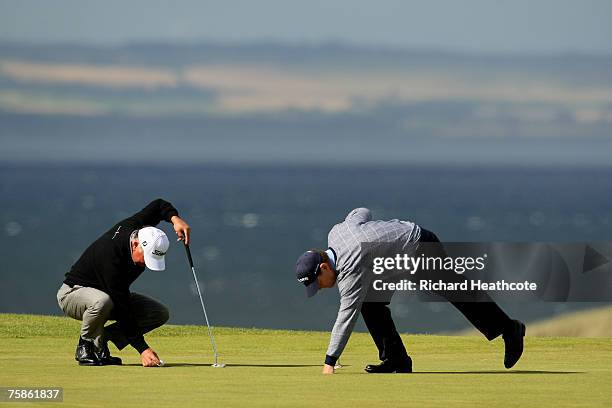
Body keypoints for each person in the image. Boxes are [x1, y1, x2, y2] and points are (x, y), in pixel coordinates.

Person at [295, 207, 525, 374]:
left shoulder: (351, 268)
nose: (321, 289)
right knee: (370, 304)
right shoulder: (337, 233)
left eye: (318, 283)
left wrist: (329, 362)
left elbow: (346, 317)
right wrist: (377, 234)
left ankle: (510, 328)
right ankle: (397, 360)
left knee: (456, 291)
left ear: (324, 267)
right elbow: (361, 212)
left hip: (419, 245)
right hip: (390, 260)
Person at [56, 199, 190, 367]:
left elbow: (158, 205)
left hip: (108, 296)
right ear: (135, 244)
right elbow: (122, 306)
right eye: (146, 258)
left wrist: (175, 219)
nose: (145, 264)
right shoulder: (111, 256)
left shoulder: (138, 227)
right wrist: (143, 349)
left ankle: (101, 339)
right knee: (103, 301)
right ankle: (86, 344)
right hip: (73, 294)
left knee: (158, 312)